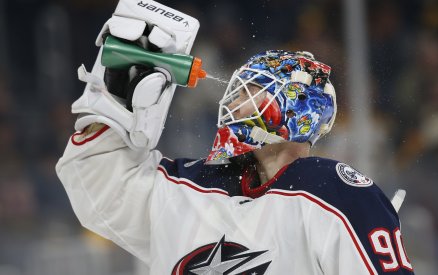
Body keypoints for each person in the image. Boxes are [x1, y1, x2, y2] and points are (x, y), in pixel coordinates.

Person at [56, 0, 415, 274]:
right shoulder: (193, 186)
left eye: (251, 91)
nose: (233, 103)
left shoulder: (337, 193)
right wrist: (114, 103)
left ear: (296, 110)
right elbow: (100, 191)